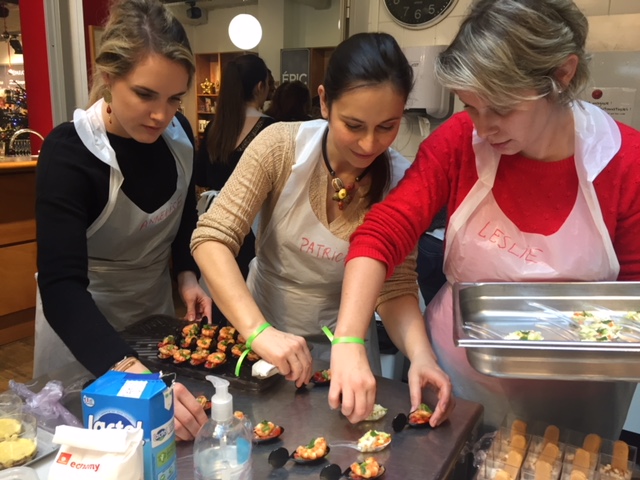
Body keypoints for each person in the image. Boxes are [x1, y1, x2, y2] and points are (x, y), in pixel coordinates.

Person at [328, 0, 640, 438]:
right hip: (460, 381)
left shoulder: (625, 163)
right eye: (472, 107)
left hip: (579, 399)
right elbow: (382, 233)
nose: (484, 126)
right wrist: (347, 341)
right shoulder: (460, 142)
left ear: (562, 75)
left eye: (502, 107)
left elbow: (634, 303)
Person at [191, 32, 453, 425]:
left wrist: (421, 356)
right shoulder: (281, 146)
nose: (368, 144)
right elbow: (211, 237)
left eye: (387, 126)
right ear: (325, 102)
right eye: (354, 124)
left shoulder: (399, 180)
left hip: (345, 350)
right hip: (264, 332)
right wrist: (257, 331)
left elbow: (395, 286)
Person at [34, 0, 211, 440]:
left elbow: (182, 217)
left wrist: (187, 277)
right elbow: (60, 287)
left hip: (150, 314)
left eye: (175, 99)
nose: (161, 115)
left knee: (157, 445)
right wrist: (126, 370)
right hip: (82, 329)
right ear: (109, 78)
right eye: (145, 94)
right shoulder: (70, 154)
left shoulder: (180, 137)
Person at [194, 54, 275, 296]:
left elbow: (201, 177)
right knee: (249, 295)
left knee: (219, 291)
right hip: (253, 224)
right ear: (260, 86)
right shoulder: (271, 129)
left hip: (215, 219)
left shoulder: (214, 127)